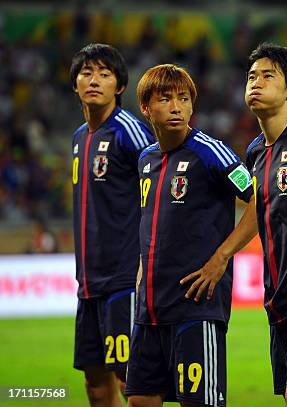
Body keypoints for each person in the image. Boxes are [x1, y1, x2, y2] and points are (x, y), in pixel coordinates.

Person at [181, 43, 287, 407]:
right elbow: (259, 209)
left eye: (268, 75)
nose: (256, 82)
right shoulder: (256, 150)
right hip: (279, 296)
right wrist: (224, 254)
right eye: (251, 76)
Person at [125, 64, 253, 407]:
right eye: (166, 99)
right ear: (146, 107)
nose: (177, 106)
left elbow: (259, 200)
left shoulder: (211, 152)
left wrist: (221, 258)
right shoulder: (145, 160)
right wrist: (141, 276)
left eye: (184, 99)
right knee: (138, 401)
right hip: (149, 312)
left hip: (195, 309)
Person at [70, 43, 155, 407]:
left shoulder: (129, 131)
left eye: (105, 74)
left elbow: (159, 184)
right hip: (88, 281)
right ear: (74, 83)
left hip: (124, 278)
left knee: (129, 379)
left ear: (119, 86)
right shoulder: (78, 138)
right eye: (87, 73)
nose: (94, 81)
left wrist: (146, 260)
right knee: (94, 379)